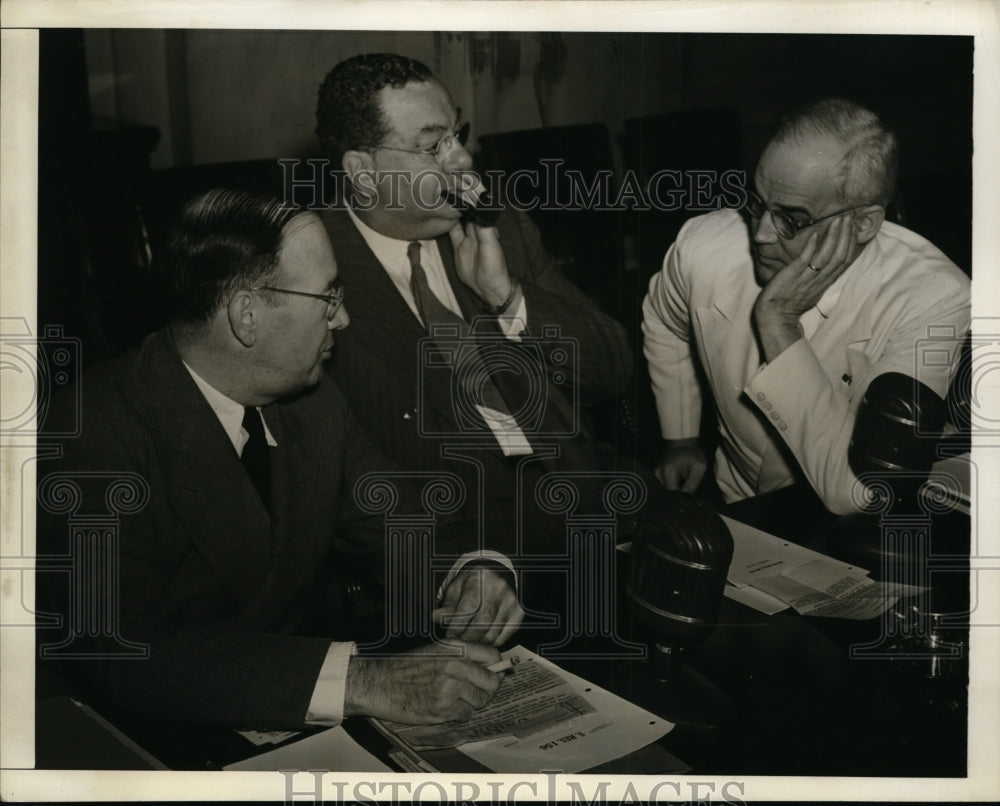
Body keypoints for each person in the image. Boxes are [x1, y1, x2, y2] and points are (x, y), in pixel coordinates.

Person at [36, 189, 523, 730]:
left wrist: (470, 571)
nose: (343, 319)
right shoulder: (90, 433)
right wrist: (364, 682)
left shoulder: (313, 404)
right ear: (247, 316)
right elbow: (128, 649)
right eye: (328, 296)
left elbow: (401, 518)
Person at [314, 53, 635, 556]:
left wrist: (506, 297)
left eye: (457, 135)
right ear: (363, 170)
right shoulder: (308, 269)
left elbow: (614, 370)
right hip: (460, 549)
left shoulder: (498, 226)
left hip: (590, 505)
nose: (462, 159)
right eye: (433, 145)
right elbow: (328, 480)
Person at [642, 98, 970, 515]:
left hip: (858, 528)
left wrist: (777, 319)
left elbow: (858, 494)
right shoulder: (704, 246)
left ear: (864, 223)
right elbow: (663, 321)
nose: (760, 234)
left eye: (792, 219)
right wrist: (681, 437)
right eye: (757, 203)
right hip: (738, 502)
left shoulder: (936, 296)